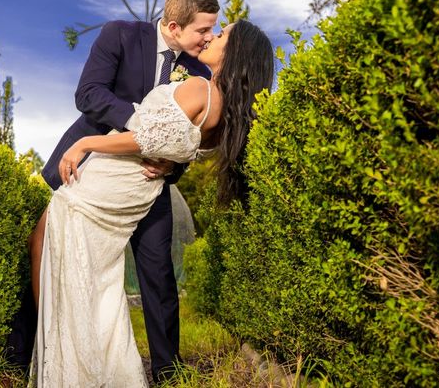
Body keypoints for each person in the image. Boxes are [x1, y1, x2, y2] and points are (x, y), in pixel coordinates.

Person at [29, 20, 275, 387]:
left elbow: (144, 138)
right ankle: (86, 364)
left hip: (106, 181)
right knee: (91, 276)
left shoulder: (201, 88)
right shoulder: (224, 114)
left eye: (222, 34)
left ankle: (62, 362)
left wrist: (85, 145)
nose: (212, 35)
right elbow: (177, 146)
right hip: (133, 193)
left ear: (236, 53)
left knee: (54, 250)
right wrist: (172, 160)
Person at [6, 0, 220, 382]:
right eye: (203, 30)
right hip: (88, 168)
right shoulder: (120, 35)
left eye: (213, 30)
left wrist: (171, 169)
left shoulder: (198, 72)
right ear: (173, 26)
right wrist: (143, 126)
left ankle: (167, 372)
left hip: (148, 183)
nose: (209, 38)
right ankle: (27, 356)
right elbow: (88, 95)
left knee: (158, 274)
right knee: (49, 251)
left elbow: (191, 136)